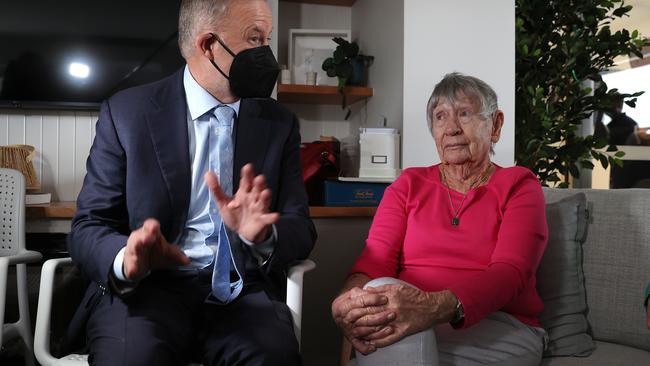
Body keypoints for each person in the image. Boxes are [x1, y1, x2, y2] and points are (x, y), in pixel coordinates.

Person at [66, 1, 316, 365]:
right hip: (149, 291)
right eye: (255, 38)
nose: (266, 53)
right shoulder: (127, 114)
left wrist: (263, 236)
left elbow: (302, 228)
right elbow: (88, 227)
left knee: (274, 356)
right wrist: (127, 258)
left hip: (242, 292)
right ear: (208, 45)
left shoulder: (279, 123)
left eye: (267, 39)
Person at [332, 73, 548, 365]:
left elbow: (510, 273)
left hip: (498, 325)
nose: (452, 129)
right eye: (440, 117)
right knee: (375, 291)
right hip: (408, 324)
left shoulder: (519, 185)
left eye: (465, 114)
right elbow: (374, 261)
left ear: (495, 125)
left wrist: (430, 307)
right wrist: (348, 301)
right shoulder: (409, 184)